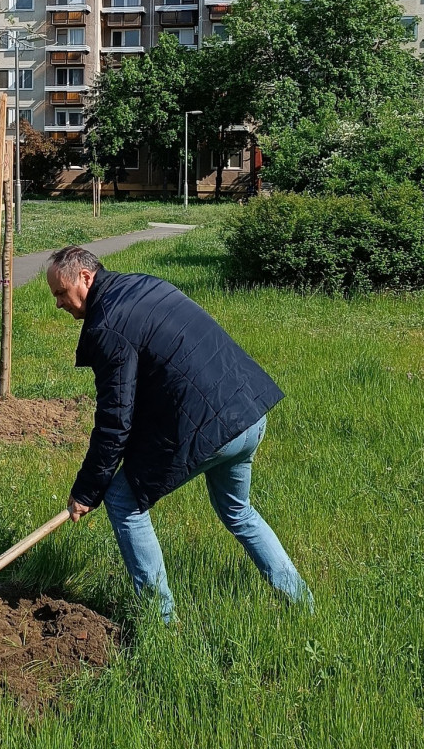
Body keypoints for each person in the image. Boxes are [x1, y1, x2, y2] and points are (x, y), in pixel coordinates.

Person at [46, 246, 312, 622]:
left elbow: (114, 421)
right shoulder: (142, 284)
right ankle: (302, 603)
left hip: (212, 428)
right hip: (248, 411)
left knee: (123, 501)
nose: (58, 303)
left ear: (85, 278)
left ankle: (161, 624)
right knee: (239, 511)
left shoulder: (106, 326)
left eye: (60, 292)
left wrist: (88, 490)